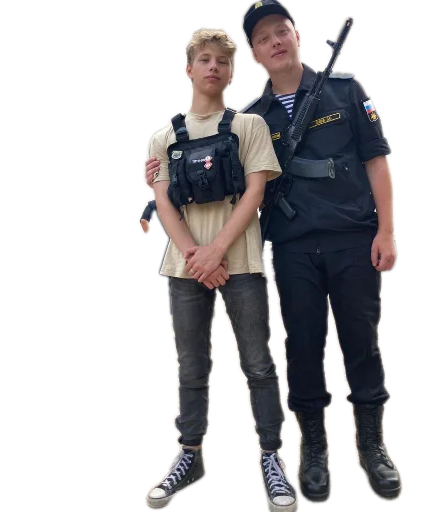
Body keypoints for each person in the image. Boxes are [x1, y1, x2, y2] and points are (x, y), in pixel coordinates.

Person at [145, 0, 401, 503]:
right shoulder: (253, 117)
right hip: (292, 246)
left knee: (361, 344)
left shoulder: (345, 91)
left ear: (296, 35)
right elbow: (221, 180)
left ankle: (373, 447)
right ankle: (313, 450)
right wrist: (158, 190)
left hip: (353, 238)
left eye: (281, 31)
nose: (274, 42)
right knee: (301, 346)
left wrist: (387, 231)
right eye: (262, 39)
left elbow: (376, 161)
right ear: (256, 55)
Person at [144, 26, 298, 512]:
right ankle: (190, 455)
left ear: (232, 73)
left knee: (258, 363)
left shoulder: (248, 126)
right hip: (185, 266)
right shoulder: (163, 136)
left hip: (242, 262)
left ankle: (271, 456)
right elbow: (163, 202)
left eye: (223, 61)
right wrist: (197, 254)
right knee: (192, 366)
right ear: (189, 69)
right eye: (205, 60)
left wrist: (216, 252)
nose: (214, 67)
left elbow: (255, 191)